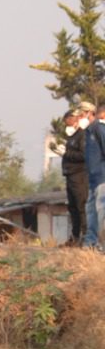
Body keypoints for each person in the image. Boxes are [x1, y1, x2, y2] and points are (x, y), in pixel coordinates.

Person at [63, 105, 91, 247]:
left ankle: (86, 238)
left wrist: (67, 153)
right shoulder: (72, 136)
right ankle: (74, 237)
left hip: (79, 176)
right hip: (70, 175)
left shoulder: (82, 135)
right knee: (73, 207)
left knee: (81, 207)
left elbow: (84, 155)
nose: (66, 123)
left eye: (68, 119)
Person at [87, 103, 105, 249]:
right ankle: (97, 242)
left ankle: (94, 241)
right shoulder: (97, 128)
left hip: (96, 176)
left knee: (96, 211)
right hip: (99, 176)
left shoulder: (94, 128)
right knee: (98, 211)